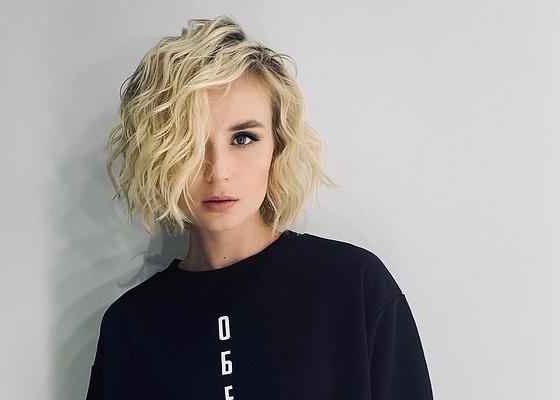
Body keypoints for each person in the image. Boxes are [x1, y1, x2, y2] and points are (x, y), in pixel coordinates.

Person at [86, 15, 434, 399]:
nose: (218, 171)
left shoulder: (355, 288)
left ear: (276, 147)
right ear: (158, 153)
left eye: (243, 138)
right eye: (190, 142)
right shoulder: (129, 328)